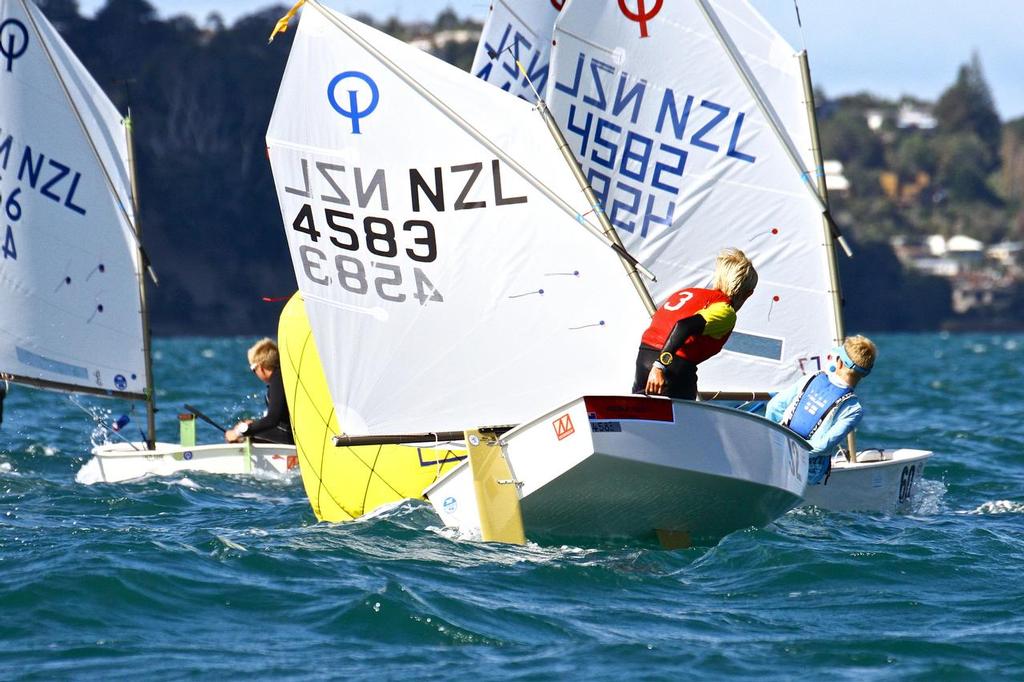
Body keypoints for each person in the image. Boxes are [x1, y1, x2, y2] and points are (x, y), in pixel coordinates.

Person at [632, 248, 758, 400]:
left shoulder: (687, 293)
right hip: (671, 369)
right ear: (748, 293)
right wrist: (659, 366)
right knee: (686, 421)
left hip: (643, 359)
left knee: (640, 414)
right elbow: (683, 326)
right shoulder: (725, 311)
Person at [765, 335, 877, 485]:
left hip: (778, 454)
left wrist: (778, 448)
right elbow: (823, 446)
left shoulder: (813, 377)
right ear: (865, 374)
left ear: (839, 362)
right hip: (809, 473)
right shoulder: (854, 409)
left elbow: (773, 407)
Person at [225, 338, 294, 445]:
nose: (255, 373)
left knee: (242, 437)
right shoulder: (282, 377)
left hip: (291, 437)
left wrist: (240, 431)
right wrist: (253, 426)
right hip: (290, 433)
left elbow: (272, 420)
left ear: (260, 367)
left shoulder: (278, 380)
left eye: (253, 369)